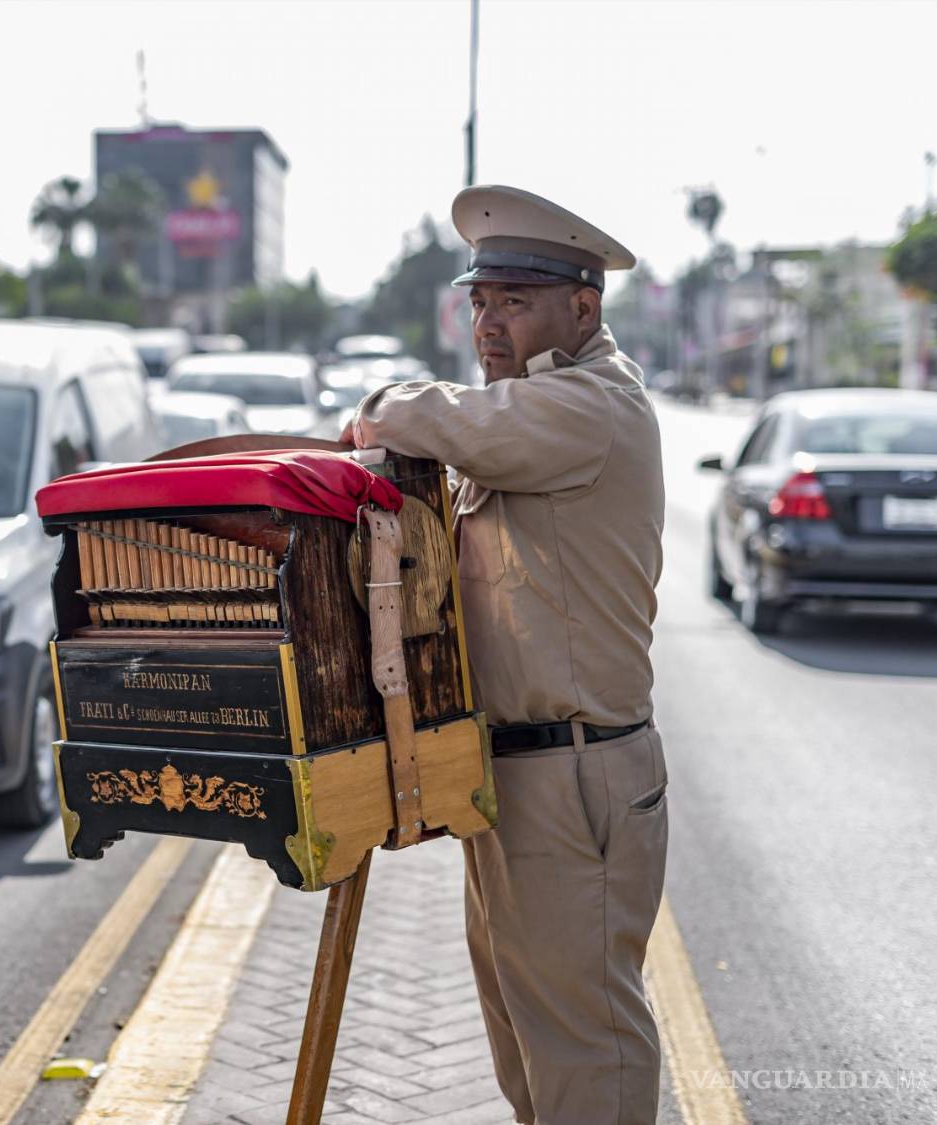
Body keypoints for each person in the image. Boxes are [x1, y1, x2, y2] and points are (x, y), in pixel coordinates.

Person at [344, 185, 667, 1124]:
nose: (487, 321)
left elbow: (433, 421)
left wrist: (378, 410)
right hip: (518, 770)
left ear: (582, 306)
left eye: (514, 302)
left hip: (575, 773)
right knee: (526, 1039)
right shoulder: (531, 407)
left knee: (583, 1049)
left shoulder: (587, 406)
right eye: (480, 300)